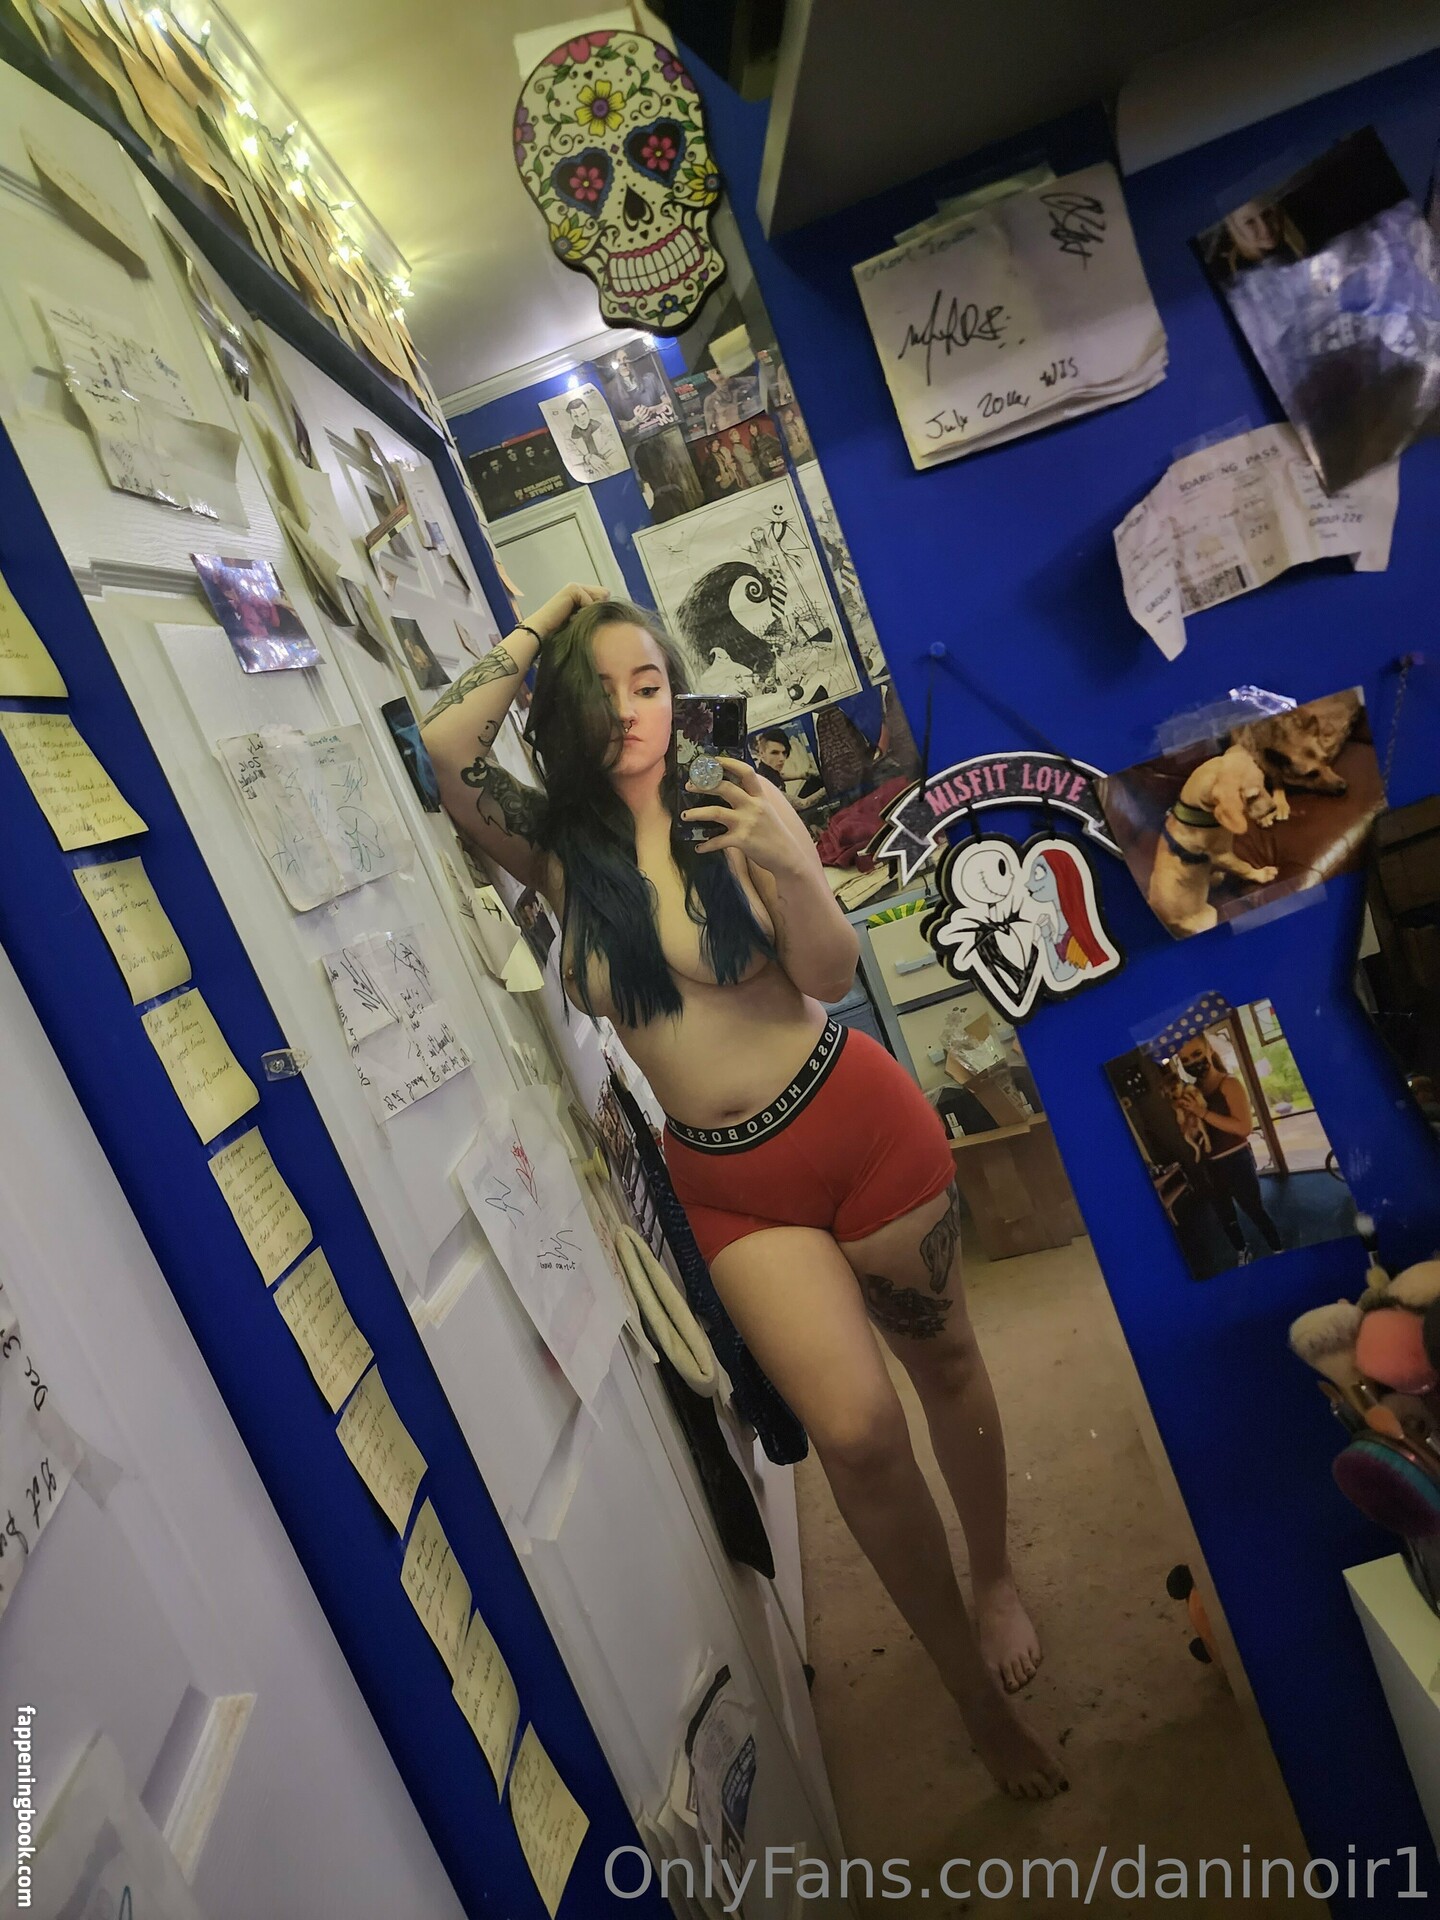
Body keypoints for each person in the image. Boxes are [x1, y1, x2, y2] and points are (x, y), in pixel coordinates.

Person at [421, 585, 1064, 1800]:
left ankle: (993, 1579)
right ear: (563, 712)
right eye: (603, 692)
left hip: (852, 1122)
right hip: (727, 1181)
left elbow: (825, 968)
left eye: (651, 684)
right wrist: (550, 617)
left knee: (946, 1367)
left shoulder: (729, 804)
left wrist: (792, 863)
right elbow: (446, 747)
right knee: (858, 1436)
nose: (634, 712)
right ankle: (968, 1695)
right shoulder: (556, 850)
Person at [1175, 1033, 1283, 1264]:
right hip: (1209, 1165)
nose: (1192, 1062)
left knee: (1254, 1209)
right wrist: (1186, 1118)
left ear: (1210, 1051)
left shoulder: (1229, 1084)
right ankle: (1241, 1250)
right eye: (1185, 1060)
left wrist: (1203, 1112)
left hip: (1236, 1160)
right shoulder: (1192, 1091)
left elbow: (1244, 1127)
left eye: (1197, 1054)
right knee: (1225, 1216)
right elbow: (1196, 1132)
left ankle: (1278, 1249)